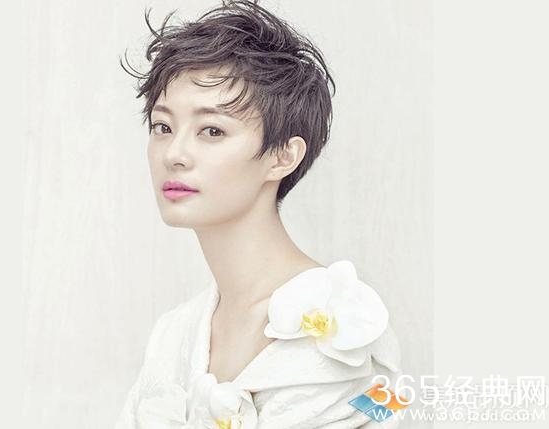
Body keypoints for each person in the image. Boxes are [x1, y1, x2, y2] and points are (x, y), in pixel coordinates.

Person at [115, 1, 402, 427]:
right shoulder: (172, 335)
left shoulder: (353, 331)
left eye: (212, 130)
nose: (174, 154)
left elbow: (390, 408)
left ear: (283, 156)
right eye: (163, 127)